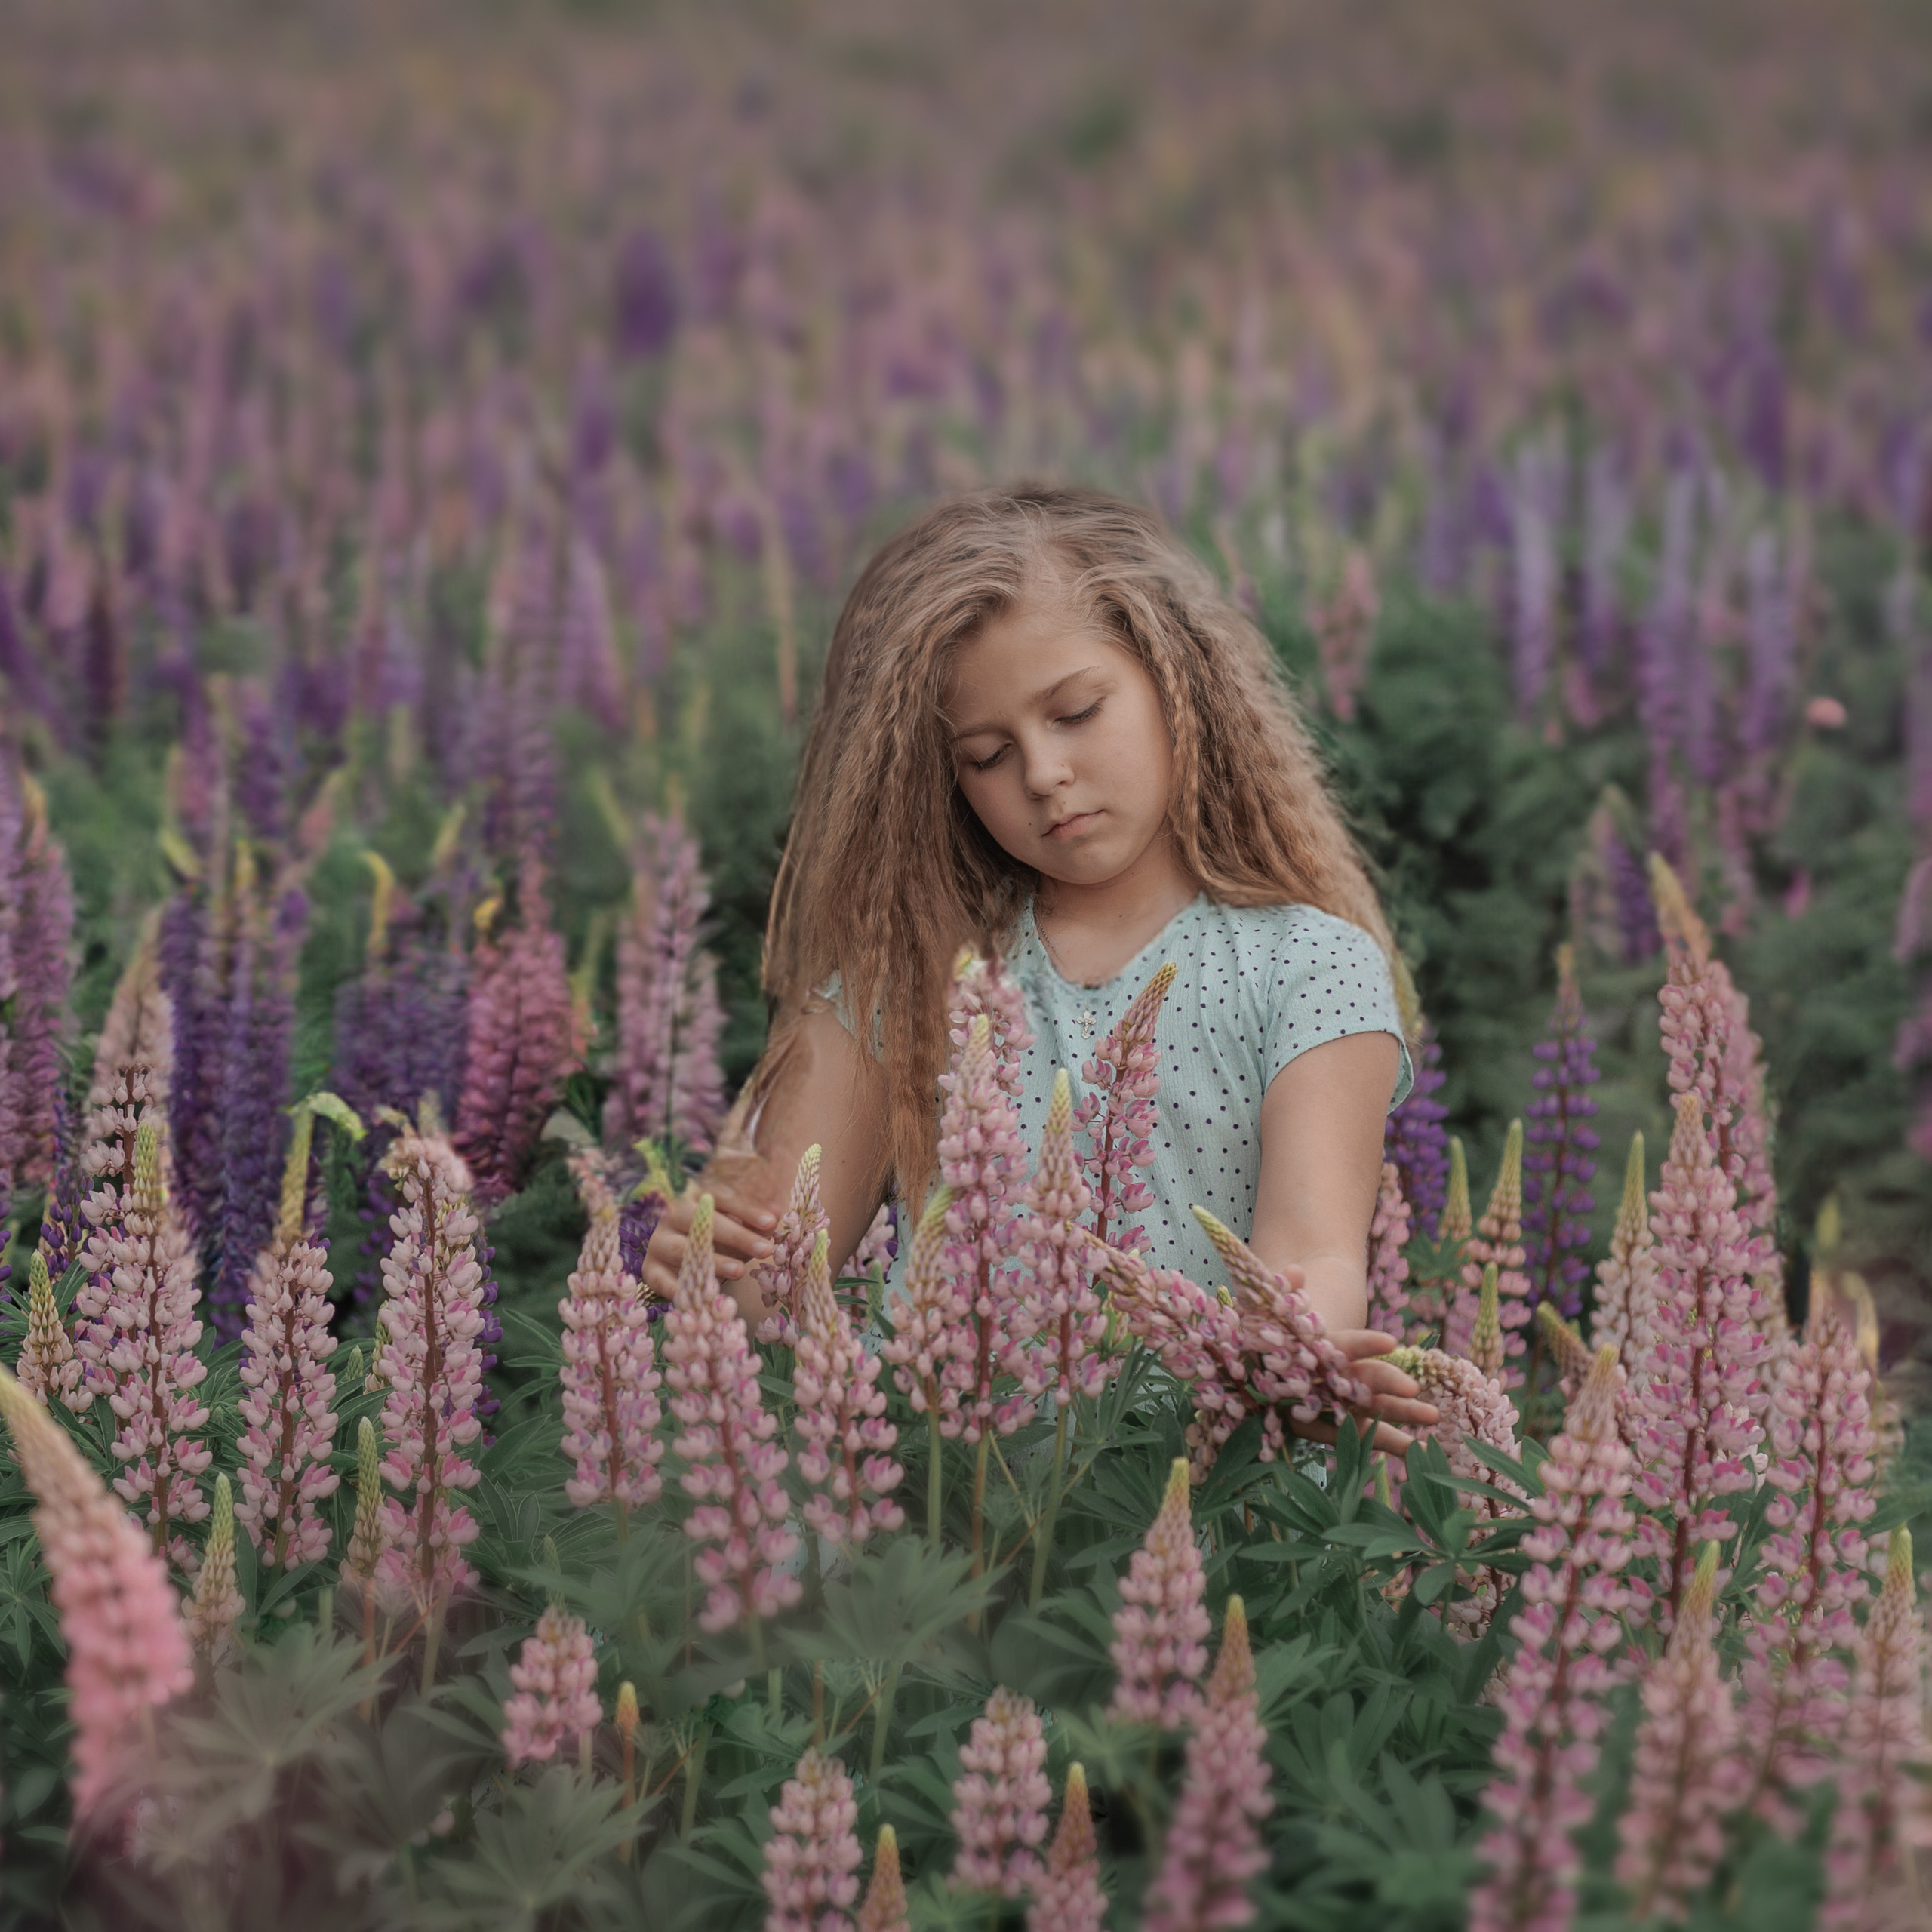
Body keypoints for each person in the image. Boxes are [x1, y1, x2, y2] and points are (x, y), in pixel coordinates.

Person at [643, 484, 1437, 1449]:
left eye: (1076, 711)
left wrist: (1302, 1351)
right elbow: (772, 1273)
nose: (1042, 773)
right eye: (985, 755)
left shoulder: (1309, 963)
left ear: (1174, 677)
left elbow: (1310, 1248)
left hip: (1205, 1505)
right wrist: (704, 1261)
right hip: (952, 1511)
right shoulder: (909, 974)